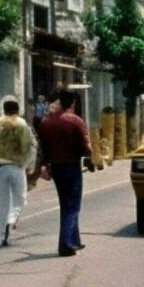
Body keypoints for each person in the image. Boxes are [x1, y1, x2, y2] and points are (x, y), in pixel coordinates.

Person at [37, 88, 91, 256]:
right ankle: (66, 244)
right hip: (72, 166)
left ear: (59, 102)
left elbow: (43, 148)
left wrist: (45, 165)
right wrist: (90, 157)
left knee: (65, 204)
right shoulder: (76, 121)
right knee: (73, 206)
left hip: (56, 167)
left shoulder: (46, 122)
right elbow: (86, 147)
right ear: (72, 103)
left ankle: (75, 240)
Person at [0, 97, 37, 247]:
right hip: (16, 167)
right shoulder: (21, 124)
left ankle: (2, 235)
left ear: (4, 109)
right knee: (20, 199)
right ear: (17, 110)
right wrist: (29, 165)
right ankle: (11, 221)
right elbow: (30, 145)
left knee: (4, 202)